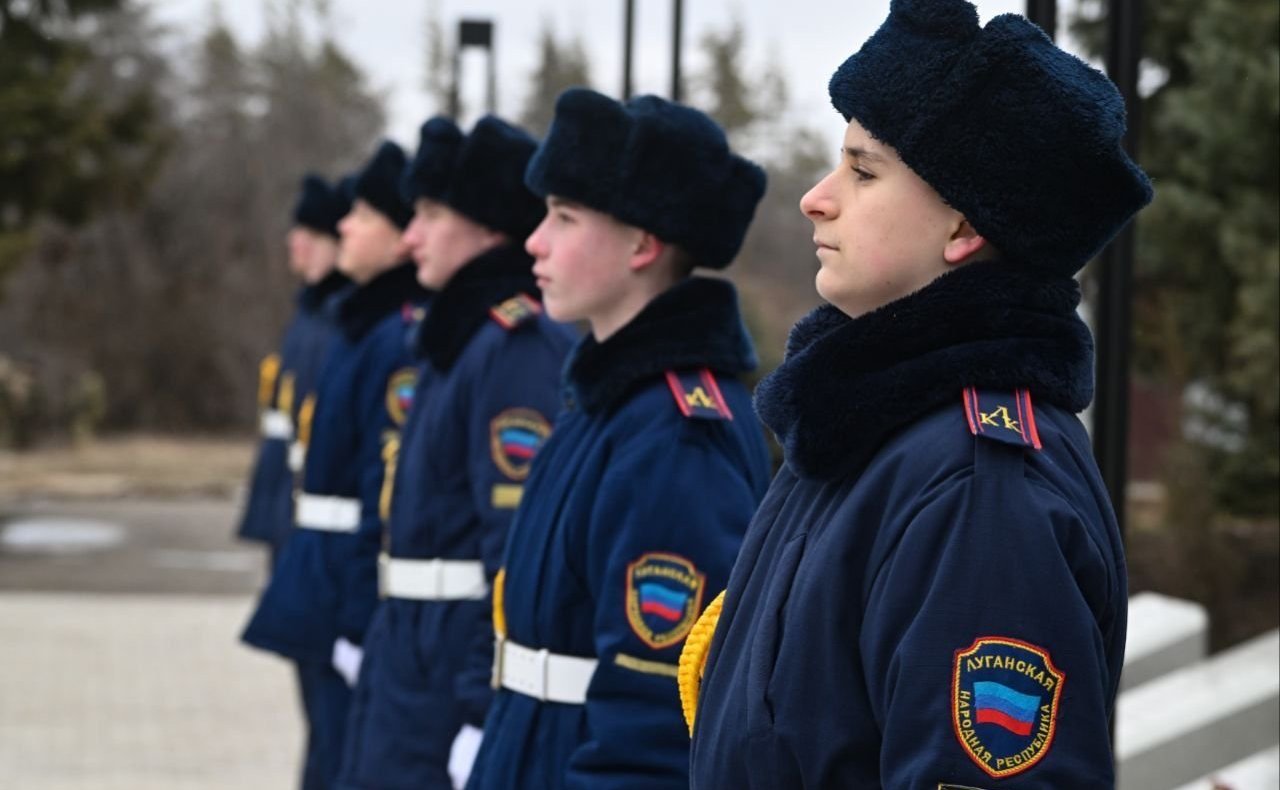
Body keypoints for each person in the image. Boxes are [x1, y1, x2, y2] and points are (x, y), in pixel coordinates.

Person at [681, 0, 1153, 786]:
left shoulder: (979, 494)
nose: (816, 198)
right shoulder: (870, 427)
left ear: (962, 229)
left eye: (863, 171)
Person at [466, 88, 772, 790]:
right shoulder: (608, 403)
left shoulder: (673, 436)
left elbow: (656, 720)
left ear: (642, 242)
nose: (535, 241)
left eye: (565, 217)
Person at [337, 115, 575, 790]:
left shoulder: (513, 346)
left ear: (490, 226)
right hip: (407, 649)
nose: (411, 236)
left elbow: (508, 551)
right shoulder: (459, 339)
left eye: (433, 213)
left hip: (447, 669)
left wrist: (478, 707)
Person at [242, 141, 430, 790]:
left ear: (404, 237)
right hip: (322, 568)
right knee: (327, 749)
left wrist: (357, 617)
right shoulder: (365, 325)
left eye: (364, 216)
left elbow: (384, 490)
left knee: (343, 754)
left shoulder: (398, 334)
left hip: (345, 581)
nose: (343, 226)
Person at [236, 173, 351, 558]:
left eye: (306, 233)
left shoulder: (340, 317)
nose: (293, 241)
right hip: (282, 484)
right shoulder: (308, 311)